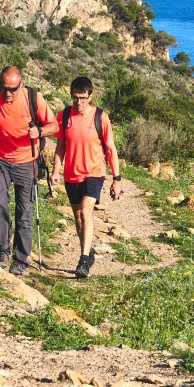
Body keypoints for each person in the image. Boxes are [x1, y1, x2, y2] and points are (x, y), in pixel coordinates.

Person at [0, 66, 57, 274]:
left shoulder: (33, 99)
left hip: (27, 161)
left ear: (21, 84)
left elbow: (54, 126)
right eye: (4, 88)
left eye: (12, 89)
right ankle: (3, 250)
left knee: (24, 212)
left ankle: (21, 259)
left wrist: (40, 131)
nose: (7, 93)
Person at [47, 75, 121, 278]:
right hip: (72, 174)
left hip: (94, 173)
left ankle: (82, 261)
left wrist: (117, 179)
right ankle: (89, 253)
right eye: (75, 98)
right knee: (78, 219)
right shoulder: (64, 116)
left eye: (83, 98)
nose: (79, 103)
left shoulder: (100, 117)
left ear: (91, 96)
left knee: (87, 212)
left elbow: (111, 149)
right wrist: (55, 171)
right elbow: (60, 146)